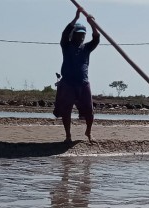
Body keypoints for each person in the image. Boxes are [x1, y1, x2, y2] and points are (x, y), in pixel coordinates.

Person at [53, 8, 100, 143]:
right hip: (68, 83)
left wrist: (92, 24)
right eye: (78, 34)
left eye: (83, 35)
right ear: (73, 35)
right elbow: (64, 33)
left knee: (89, 111)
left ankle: (88, 133)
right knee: (66, 110)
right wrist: (76, 18)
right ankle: (68, 136)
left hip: (83, 83)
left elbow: (96, 39)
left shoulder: (86, 48)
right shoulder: (66, 46)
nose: (81, 37)